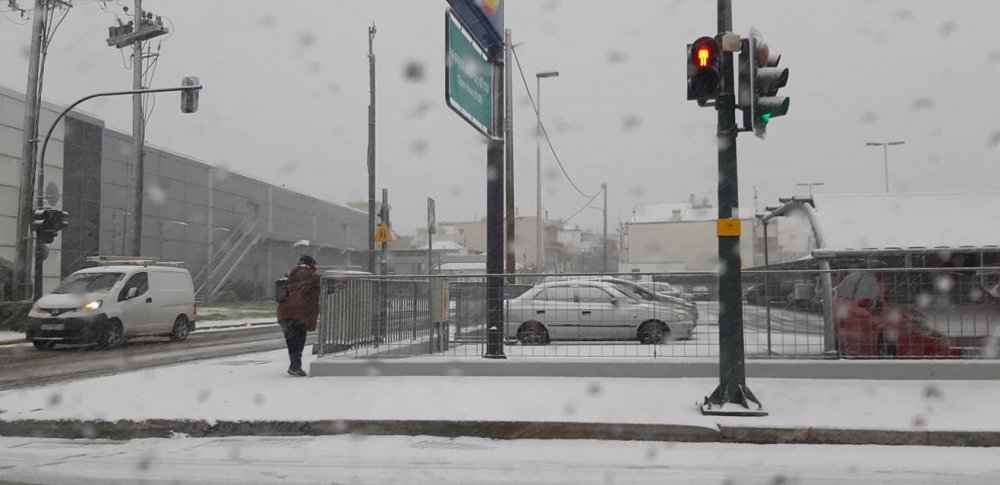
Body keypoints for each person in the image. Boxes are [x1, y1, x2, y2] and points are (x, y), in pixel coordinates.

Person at [276, 254, 320, 377]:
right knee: (299, 341)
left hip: (284, 313)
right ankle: (295, 367)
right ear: (311, 265)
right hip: (299, 313)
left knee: (291, 341)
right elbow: (327, 287)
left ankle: (294, 365)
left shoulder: (290, 276)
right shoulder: (312, 277)